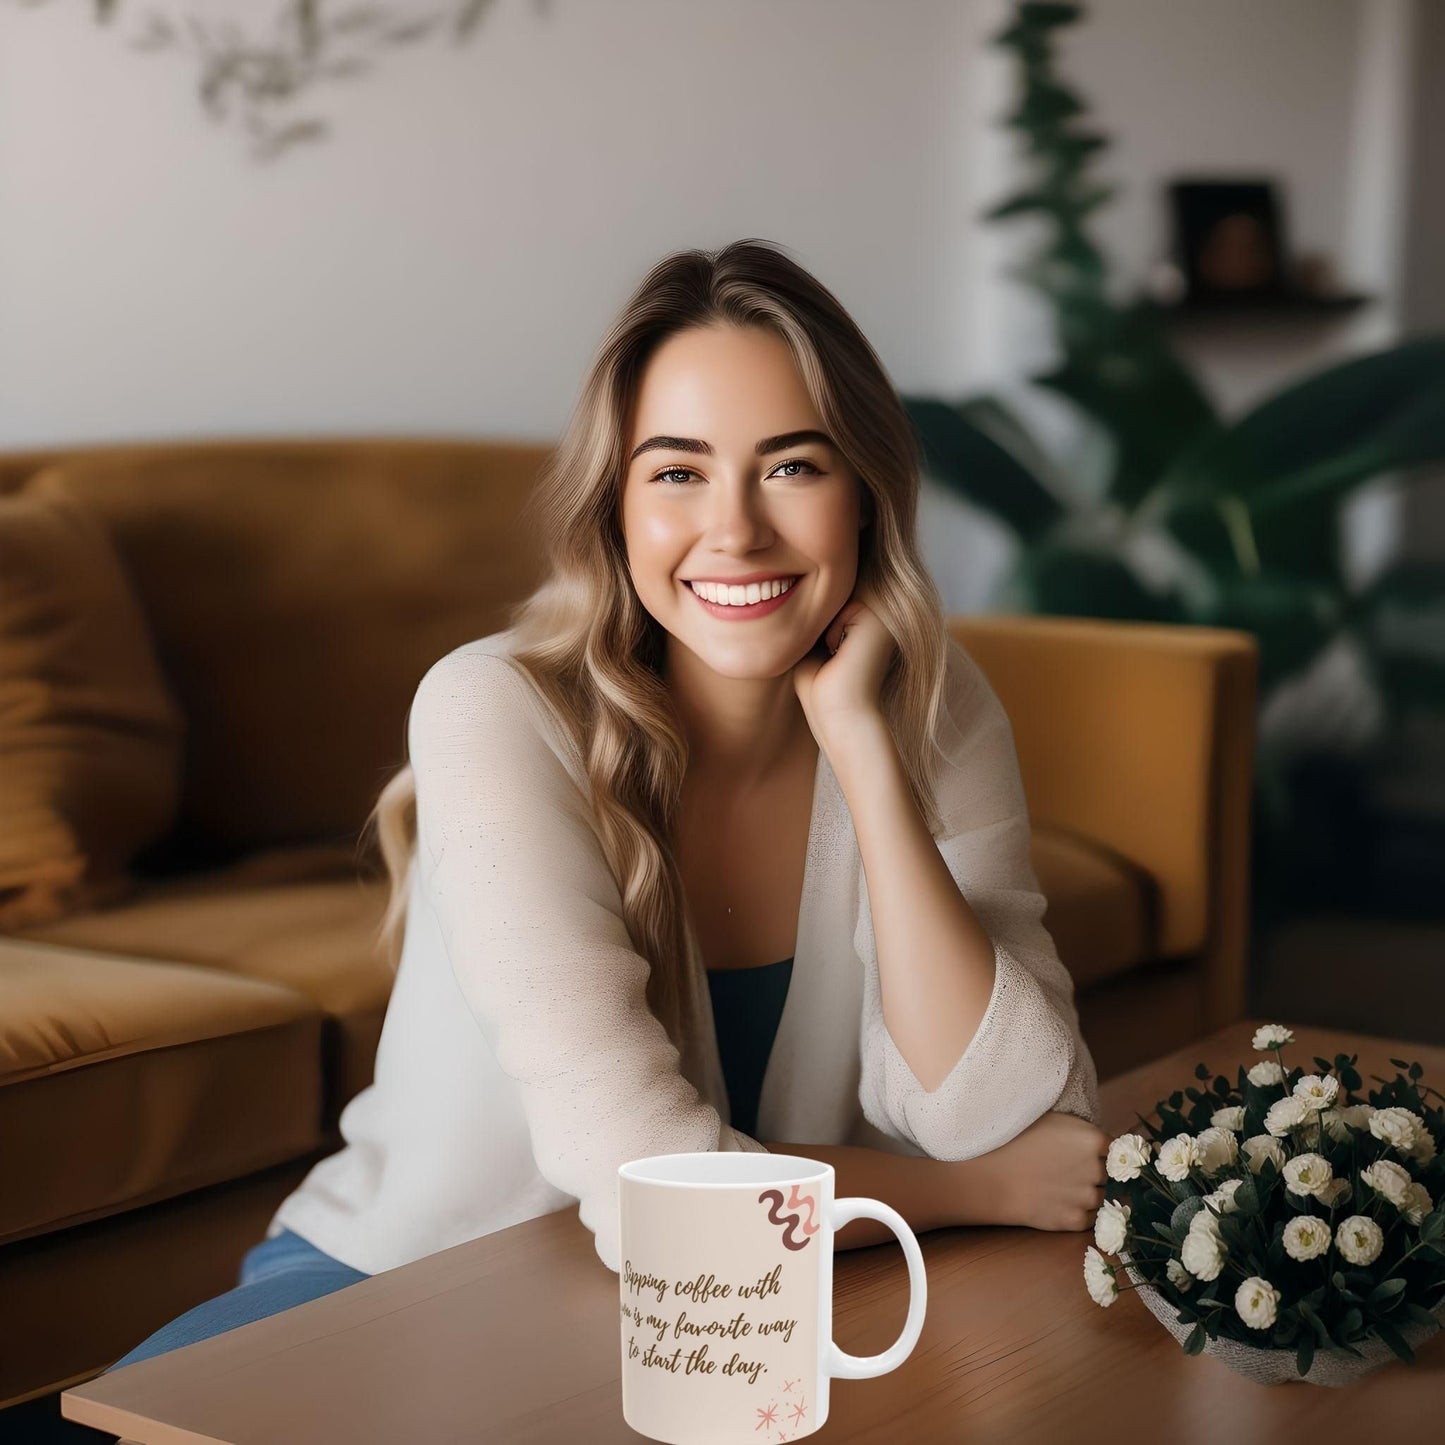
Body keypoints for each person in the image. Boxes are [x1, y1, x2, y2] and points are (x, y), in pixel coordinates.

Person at [107, 239, 1107, 1373]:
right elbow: (660, 1206)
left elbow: (1025, 1110)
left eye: (792, 466)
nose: (735, 530)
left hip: (745, 1313)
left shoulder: (930, 701)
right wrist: (964, 1190)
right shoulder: (492, 709)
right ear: (615, 504)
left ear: (866, 494)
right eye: (677, 471)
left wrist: (865, 758)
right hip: (421, 1288)